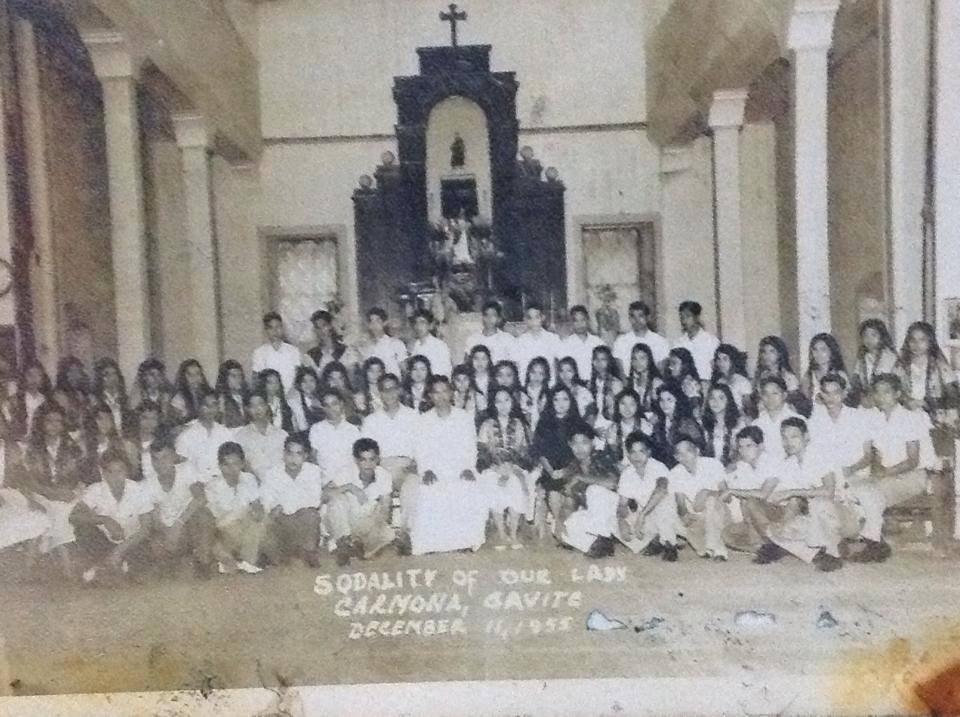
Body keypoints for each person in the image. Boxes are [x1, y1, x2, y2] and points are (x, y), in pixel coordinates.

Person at [845, 373, 935, 562]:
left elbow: (913, 460)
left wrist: (885, 473)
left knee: (870, 492)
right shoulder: (874, 419)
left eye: (886, 392)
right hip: (886, 476)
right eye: (877, 392)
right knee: (849, 486)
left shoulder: (910, 418)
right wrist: (876, 469)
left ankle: (874, 543)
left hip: (912, 476)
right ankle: (873, 541)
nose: (881, 396)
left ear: (897, 393)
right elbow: (874, 454)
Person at [400, 376, 486, 555]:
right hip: (434, 469)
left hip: (460, 467)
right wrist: (427, 470)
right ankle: (431, 544)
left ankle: (466, 541)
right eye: (436, 392)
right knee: (430, 490)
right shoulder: (423, 420)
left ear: (452, 393)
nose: (441, 396)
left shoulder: (464, 418)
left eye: (445, 391)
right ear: (430, 396)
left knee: (468, 487)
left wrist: (468, 468)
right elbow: (420, 450)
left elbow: (471, 447)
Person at [749, 418, 848, 572]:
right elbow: (779, 495)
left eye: (794, 436)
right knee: (775, 531)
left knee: (819, 503)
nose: (788, 442)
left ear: (806, 437)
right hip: (813, 518)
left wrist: (791, 493)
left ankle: (833, 552)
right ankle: (815, 551)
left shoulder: (820, 456)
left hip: (840, 512)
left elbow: (828, 492)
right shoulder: (790, 464)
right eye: (784, 437)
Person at [69, 449, 154, 582]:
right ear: (103, 473)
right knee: (83, 529)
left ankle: (110, 567)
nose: (115, 476)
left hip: (131, 542)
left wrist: (119, 551)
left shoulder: (138, 490)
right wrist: (105, 520)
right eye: (110, 472)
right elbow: (74, 516)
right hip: (105, 541)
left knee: (144, 567)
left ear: (127, 472)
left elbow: (146, 528)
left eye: (120, 471)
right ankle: (109, 567)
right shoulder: (95, 489)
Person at [22, 405, 84, 567]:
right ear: (41, 423)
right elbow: (28, 480)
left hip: (68, 492)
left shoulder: (72, 446)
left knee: (61, 508)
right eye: (49, 421)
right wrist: (51, 493)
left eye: (58, 421)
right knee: (58, 511)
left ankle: (34, 558)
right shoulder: (31, 448)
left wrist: (69, 492)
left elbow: (78, 476)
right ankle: (66, 565)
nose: (54, 425)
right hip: (41, 493)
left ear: (63, 424)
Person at [141, 436, 212, 576]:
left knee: (203, 515)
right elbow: (154, 518)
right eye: (155, 459)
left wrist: (178, 525)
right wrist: (168, 531)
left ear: (174, 456)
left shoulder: (187, 469)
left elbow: (201, 498)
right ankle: (182, 561)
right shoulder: (147, 484)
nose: (160, 464)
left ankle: (204, 561)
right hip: (167, 532)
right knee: (157, 546)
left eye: (165, 457)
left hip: (188, 525)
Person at [322, 437, 395, 567]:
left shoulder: (384, 476)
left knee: (389, 534)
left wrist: (377, 524)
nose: (368, 464)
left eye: (372, 459)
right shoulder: (346, 471)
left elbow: (386, 509)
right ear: (356, 460)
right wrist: (349, 487)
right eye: (363, 460)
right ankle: (344, 543)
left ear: (377, 459)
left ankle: (358, 547)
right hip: (344, 521)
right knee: (338, 499)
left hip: (365, 522)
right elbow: (323, 495)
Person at [477, 386, 531, 549]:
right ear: (493, 404)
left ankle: (513, 533)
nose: (503, 405)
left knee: (515, 484)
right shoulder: (486, 424)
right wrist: (497, 468)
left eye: (506, 400)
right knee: (492, 484)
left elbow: (521, 451)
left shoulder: (519, 424)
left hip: (513, 466)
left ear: (512, 402)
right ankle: (501, 533)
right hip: (493, 467)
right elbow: (482, 452)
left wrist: (509, 468)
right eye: (498, 401)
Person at [556, 424, 621, 557]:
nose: (580, 448)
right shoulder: (572, 467)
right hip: (594, 516)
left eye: (584, 443)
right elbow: (569, 504)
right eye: (575, 444)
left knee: (594, 490)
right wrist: (560, 522)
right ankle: (598, 544)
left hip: (615, 511)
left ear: (592, 443)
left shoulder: (602, 457)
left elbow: (613, 484)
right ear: (570, 445)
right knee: (561, 528)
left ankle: (602, 536)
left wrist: (581, 477)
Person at [260, 434, 323, 567]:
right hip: (281, 522)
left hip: (301, 518)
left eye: (298, 454)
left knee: (311, 515)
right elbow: (267, 500)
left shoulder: (313, 471)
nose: (293, 459)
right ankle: (291, 553)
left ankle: (308, 552)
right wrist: (282, 507)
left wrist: (284, 505)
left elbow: (314, 500)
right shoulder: (272, 473)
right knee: (271, 521)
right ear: (283, 454)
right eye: (290, 453)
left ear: (305, 456)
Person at [203, 442, 265, 575]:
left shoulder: (249, 479)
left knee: (258, 520)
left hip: (246, 526)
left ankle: (246, 561)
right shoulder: (212, 486)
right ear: (220, 466)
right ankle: (233, 560)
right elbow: (214, 520)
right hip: (225, 531)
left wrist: (258, 513)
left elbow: (256, 504)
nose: (232, 469)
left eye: (236, 463)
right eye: (227, 465)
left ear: (243, 464)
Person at [719, 426, 781, 555]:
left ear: (761, 446)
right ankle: (761, 547)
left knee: (750, 501)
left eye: (749, 446)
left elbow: (763, 494)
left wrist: (733, 491)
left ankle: (769, 543)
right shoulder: (742, 466)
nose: (743, 451)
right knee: (726, 534)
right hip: (755, 519)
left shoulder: (772, 461)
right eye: (740, 447)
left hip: (778, 512)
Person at [531, 385, 583, 537]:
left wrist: (566, 471)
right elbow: (540, 452)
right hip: (551, 469)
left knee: (569, 493)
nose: (561, 403)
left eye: (565, 399)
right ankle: (558, 524)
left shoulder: (578, 423)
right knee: (553, 492)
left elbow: (581, 455)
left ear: (571, 401)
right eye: (556, 399)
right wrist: (552, 472)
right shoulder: (544, 422)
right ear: (551, 402)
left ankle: (563, 524)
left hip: (573, 469)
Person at [616, 432, 677, 560]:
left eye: (641, 451)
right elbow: (622, 504)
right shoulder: (627, 473)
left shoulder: (658, 467)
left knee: (663, 503)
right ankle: (655, 539)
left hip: (669, 516)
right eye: (633, 452)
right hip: (646, 518)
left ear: (649, 452)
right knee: (615, 522)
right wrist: (621, 521)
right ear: (628, 454)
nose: (637, 456)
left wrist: (642, 515)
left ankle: (669, 544)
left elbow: (661, 490)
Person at [668, 435, 730, 560]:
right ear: (676, 457)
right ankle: (703, 547)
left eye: (688, 452)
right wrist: (684, 514)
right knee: (669, 514)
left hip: (720, 515)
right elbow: (680, 503)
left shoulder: (713, 464)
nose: (684, 457)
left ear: (697, 451)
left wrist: (707, 492)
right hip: (697, 516)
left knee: (711, 501)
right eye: (679, 454)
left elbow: (727, 496)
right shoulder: (675, 472)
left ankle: (718, 549)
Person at [361, 373, 418, 490]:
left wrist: (414, 466)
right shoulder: (370, 421)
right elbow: (366, 452)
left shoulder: (414, 416)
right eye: (385, 390)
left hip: (409, 467)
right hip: (382, 468)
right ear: (379, 393)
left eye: (392, 389)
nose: (389, 394)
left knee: (414, 486)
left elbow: (423, 446)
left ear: (399, 390)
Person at [894, 321, 959, 411]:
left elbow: (954, 396)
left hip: (934, 413)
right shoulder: (900, 366)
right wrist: (906, 400)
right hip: (906, 414)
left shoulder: (941, 366)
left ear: (930, 342)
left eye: (922, 340)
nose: (916, 344)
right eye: (912, 340)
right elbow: (892, 390)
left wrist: (927, 403)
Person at [174, 389, 234, 479]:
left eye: (214, 405)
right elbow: (181, 468)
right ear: (199, 407)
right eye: (206, 405)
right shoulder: (186, 435)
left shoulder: (226, 433)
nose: (211, 409)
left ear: (218, 407)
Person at [309, 389, 362, 482]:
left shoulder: (353, 430)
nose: (331, 409)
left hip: (348, 478)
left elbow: (357, 459)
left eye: (334, 404)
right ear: (323, 407)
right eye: (327, 405)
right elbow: (313, 458)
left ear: (341, 404)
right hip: (325, 479)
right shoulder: (316, 429)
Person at [234, 392, 288, 481]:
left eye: (260, 404)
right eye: (253, 406)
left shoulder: (282, 435)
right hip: (255, 485)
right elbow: (243, 466)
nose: (257, 409)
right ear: (247, 409)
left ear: (267, 406)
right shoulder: (240, 436)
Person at [649, 384, 703, 468]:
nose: (665, 404)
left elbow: (698, 449)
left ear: (677, 401)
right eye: (662, 400)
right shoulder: (658, 424)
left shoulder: (687, 423)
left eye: (669, 400)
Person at [750, 376, 800, 462]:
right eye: (765, 394)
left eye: (775, 393)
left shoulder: (797, 420)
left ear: (784, 395)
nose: (770, 398)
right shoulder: (756, 424)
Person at [251, 312, 302, 396]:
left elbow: (298, 376)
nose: (275, 331)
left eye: (278, 327)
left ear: (282, 328)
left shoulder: (294, 351)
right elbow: (256, 379)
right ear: (266, 330)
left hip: (291, 396)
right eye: (271, 328)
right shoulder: (259, 353)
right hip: (268, 397)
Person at [754, 336, 807, 414]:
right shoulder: (762, 375)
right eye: (764, 352)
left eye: (772, 351)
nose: (767, 355)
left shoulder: (788, 377)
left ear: (779, 353)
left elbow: (794, 403)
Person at [851, 319, 898, 407]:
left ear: (882, 337)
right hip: (867, 401)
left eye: (873, 335)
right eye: (865, 335)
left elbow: (891, 383)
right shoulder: (862, 358)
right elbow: (857, 382)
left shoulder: (889, 357)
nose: (869, 339)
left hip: (885, 400)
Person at [613, 301, 669, 372]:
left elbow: (661, 370)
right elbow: (619, 371)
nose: (637, 320)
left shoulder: (660, 341)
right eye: (633, 316)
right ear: (629, 319)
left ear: (648, 318)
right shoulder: (621, 341)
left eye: (640, 316)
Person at [672, 301, 720, 381]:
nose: (684, 321)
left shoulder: (711, 341)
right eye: (681, 317)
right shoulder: (678, 343)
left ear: (697, 317)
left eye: (688, 316)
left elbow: (716, 369)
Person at [513, 303, 562, 380]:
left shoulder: (553, 339)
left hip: (548, 385)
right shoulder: (520, 341)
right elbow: (517, 367)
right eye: (530, 318)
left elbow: (562, 362)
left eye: (537, 317)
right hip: (526, 385)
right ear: (525, 320)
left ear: (542, 318)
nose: (534, 321)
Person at [700, 383, 745, 466]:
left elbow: (742, 453)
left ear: (728, 400)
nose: (716, 402)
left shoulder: (739, 424)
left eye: (721, 398)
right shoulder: (702, 424)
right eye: (712, 398)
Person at [4, 362, 50, 441]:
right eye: (30, 375)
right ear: (24, 377)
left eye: (38, 375)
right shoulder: (13, 400)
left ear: (43, 378)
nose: (34, 379)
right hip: (17, 441)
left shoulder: (46, 401)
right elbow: (6, 425)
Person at [802, 333, 850, 405]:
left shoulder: (840, 375)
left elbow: (846, 400)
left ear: (832, 351)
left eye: (823, 350)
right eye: (815, 350)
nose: (818, 354)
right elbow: (804, 401)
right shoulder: (809, 376)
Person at [463, 300, 516, 366]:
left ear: (499, 318)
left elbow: (513, 364)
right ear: (482, 317)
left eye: (493, 315)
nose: (489, 318)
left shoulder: (508, 339)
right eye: (486, 315)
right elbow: (466, 364)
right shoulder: (473, 339)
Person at [304, 309, 355, 376]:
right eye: (318, 328)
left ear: (330, 326)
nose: (322, 331)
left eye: (324, 325)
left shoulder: (346, 351)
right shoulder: (311, 355)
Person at [360, 307, 408, 378]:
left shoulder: (396, 343)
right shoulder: (365, 346)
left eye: (378, 321)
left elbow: (405, 370)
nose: (374, 325)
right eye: (371, 321)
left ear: (384, 323)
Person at [560, 305, 604, 381]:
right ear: (571, 323)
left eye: (582, 320)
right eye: (576, 321)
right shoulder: (565, 344)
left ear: (588, 320)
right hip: (575, 384)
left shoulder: (598, 342)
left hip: (595, 383)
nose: (579, 324)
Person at [603, 389, 646, 466]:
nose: (627, 408)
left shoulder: (645, 426)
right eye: (623, 404)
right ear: (617, 406)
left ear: (637, 406)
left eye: (632, 404)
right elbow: (611, 456)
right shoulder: (613, 429)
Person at [90, 358, 132, 435]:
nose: (112, 377)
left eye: (114, 373)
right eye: (106, 374)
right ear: (99, 378)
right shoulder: (94, 400)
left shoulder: (125, 400)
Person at [409, 309, 453, 378]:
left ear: (430, 326)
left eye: (422, 322)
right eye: (416, 323)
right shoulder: (415, 345)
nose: (418, 326)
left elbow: (446, 372)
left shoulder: (440, 346)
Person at [587, 346, 624, 427]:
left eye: (603, 359)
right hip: (594, 424)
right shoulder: (591, 384)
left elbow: (619, 411)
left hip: (611, 423)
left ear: (609, 362)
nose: (599, 363)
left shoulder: (615, 383)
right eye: (596, 359)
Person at [712, 344, 754, 413]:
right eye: (719, 359)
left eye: (725, 359)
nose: (721, 363)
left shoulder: (742, 381)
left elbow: (748, 408)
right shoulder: (719, 381)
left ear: (732, 361)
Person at [170, 359, 212, 426]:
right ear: (183, 377)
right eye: (189, 375)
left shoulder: (210, 394)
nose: (194, 378)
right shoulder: (178, 399)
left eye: (197, 373)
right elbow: (177, 423)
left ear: (202, 376)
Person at [626, 342, 664, 414]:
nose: (638, 362)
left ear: (649, 359)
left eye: (642, 358)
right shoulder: (632, 381)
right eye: (634, 359)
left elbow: (660, 411)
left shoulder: (656, 382)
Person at [133, 358, 174, 426]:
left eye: (159, 375)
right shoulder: (139, 395)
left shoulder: (167, 395)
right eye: (152, 374)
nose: (156, 378)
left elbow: (168, 420)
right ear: (144, 376)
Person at [256, 368, 294, 434]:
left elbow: (289, 427)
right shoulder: (257, 403)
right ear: (263, 384)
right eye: (270, 383)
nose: (275, 386)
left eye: (277, 382)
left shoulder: (283, 404)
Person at [288, 366, 324, 435]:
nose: (308, 384)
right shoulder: (295, 401)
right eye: (304, 381)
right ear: (299, 383)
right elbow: (301, 427)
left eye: (311, 380)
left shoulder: (320, 399)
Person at [215, 359, 250, 430]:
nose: (238, 379)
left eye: (240, 375)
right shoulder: (221, 399)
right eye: (233, 376)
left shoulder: (247, 397)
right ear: (225, 378)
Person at [520, 357, 551, 435]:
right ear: (528, 373)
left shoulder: (549, 395)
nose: (536, 377)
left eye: (541, 373)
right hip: (524, 433)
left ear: (545, 376)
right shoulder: (521, 393)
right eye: (533, 372)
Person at [468, 344, 494, 415]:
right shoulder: (467, 379)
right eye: (476, 358)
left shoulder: (494, 378)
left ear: (489, 360)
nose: (480, 362)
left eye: (484, 359)